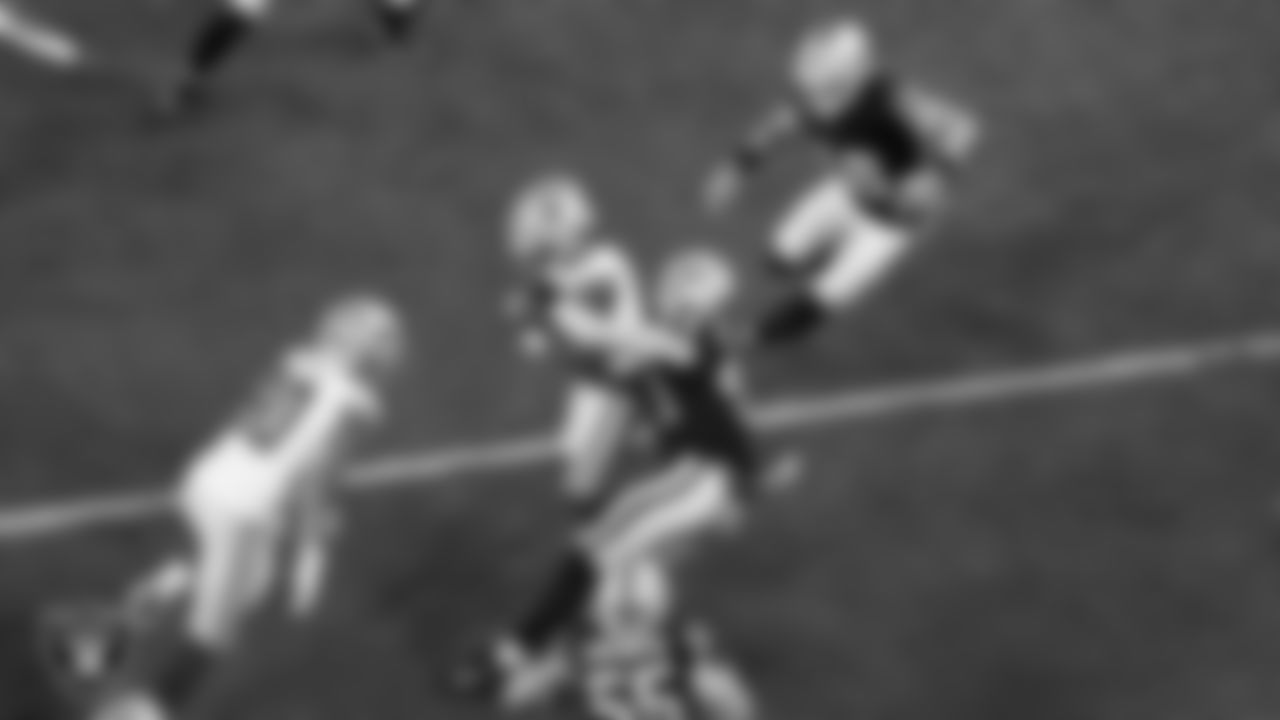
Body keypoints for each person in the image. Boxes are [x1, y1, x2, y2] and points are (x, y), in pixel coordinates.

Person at [60, 294, 406, 720]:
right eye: (383, 342)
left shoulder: (298, 362)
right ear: (365, 351)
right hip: (239, 509)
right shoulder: (352, 403)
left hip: (209, 478)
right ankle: (145, 707)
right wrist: (312, 553)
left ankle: (166, 584)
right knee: (212, 636)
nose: (390, 352)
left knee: (254, 581)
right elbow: (317, 482)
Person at [705, 16, 980, 346]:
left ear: (850, 76)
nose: (817, 97)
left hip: (891, 224)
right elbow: (776, 126)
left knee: (824, 297)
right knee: (777, 261)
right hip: (845, 195)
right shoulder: (816, 101)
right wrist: (737, 166)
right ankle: (826, 253)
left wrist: (939, 174)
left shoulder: (887, 99)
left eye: (827, 86)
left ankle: (750, 337)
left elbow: (962, 127)